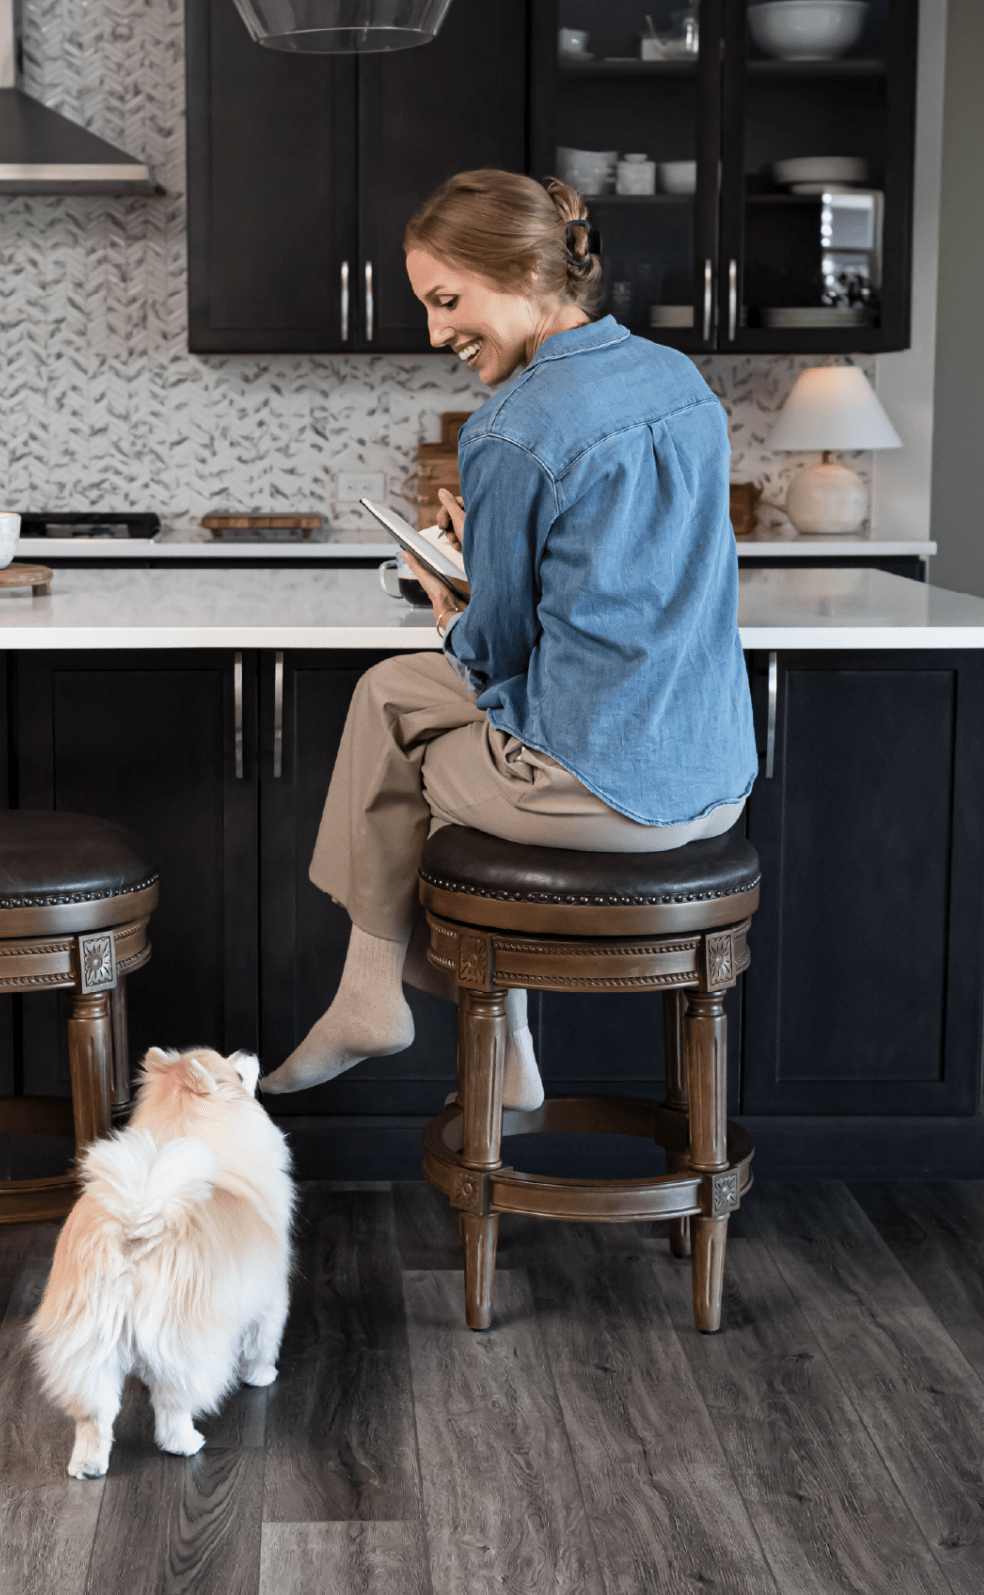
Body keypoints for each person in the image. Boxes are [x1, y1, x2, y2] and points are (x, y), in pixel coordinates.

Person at [259, 169, 757, 1105]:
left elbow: (496, 659)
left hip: (602, 791)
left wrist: (450, 596)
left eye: (448, 300)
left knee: (425, 755)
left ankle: (382, 999)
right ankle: (499, 1047)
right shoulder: (679, 379)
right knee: (388, 692)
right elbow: (610, 581)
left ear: (528, 272)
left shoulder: (511, 432)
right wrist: (493, 558)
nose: (437, 331)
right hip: (715, 777)